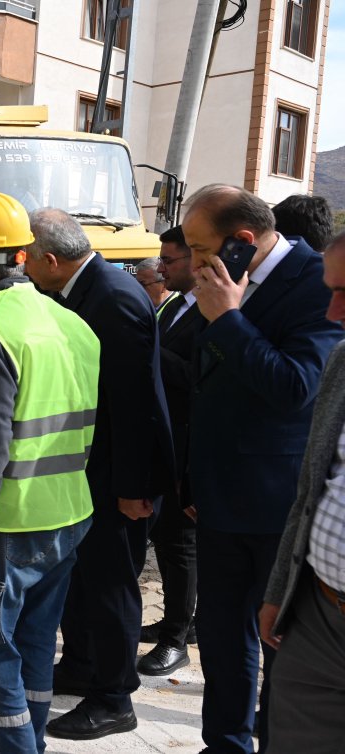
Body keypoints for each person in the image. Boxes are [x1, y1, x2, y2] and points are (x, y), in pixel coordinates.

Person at [182, 184, 340, 752]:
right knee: (222, 638)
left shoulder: (317, 280)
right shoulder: (221, 281)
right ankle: (224, 742)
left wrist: (228, 318)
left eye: (201, 249)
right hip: (220, 496)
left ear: (241, 241)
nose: (196, 261)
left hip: (278, 503)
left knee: (276, 642)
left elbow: (297, 389)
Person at [0, 192, 99, 753]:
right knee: (35, 642)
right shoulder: (71, 322)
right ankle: (26, 739)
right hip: (69, 515)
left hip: (8, 524)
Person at [24, 209, 173, 740]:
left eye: (29, 257)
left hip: (118, 478)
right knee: (82, 579)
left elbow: (136, 405)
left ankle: (114, 698)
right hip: (90, 472)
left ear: (51, 259)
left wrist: (134, 490)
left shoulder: (111, 297)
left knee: (111, 586)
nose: (24, 268)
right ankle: (83, 665)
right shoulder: (83, 289)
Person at [260, 231, 345, 753]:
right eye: (331, 290)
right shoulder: (341, 363)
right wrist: (278, 592)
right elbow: (310, 489)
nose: (334, 313)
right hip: (320, 614)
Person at [139, 226, 207, 677]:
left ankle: (177, 638)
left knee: (181, 547)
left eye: (170, 260)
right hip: (162, 446)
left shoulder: (211, 310)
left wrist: (149, 348)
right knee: (165, 542)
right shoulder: (172, 308)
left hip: (190, 452)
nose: (162, 268)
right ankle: (175, 619)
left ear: (196, 260)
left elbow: (199, 378)